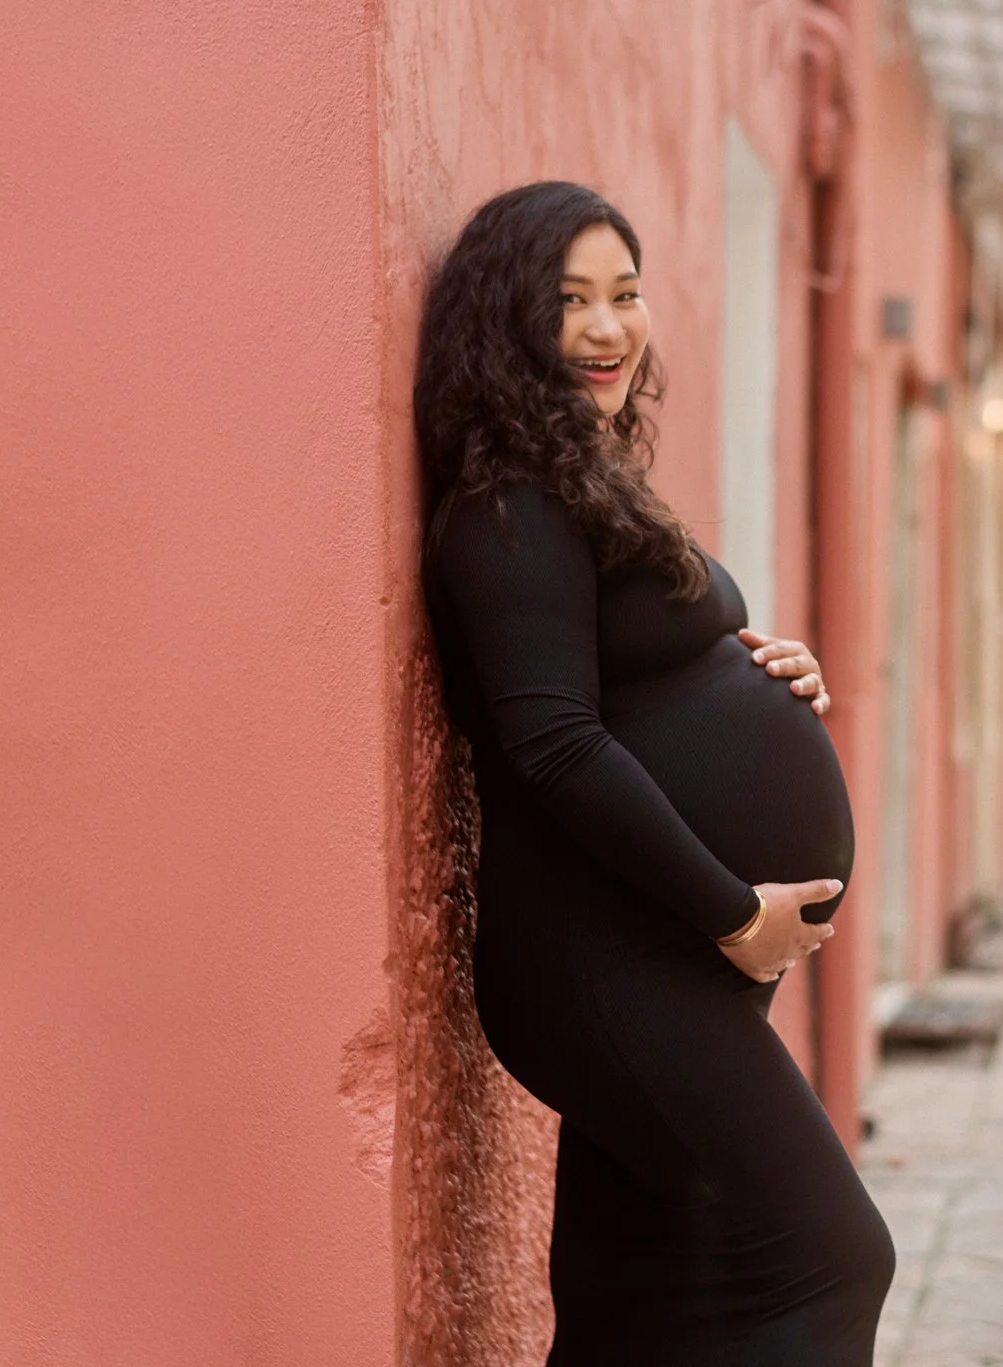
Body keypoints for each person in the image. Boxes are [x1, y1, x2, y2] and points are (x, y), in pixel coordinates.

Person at [415, 183, 892, 1364]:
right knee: (832, 1254)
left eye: (624, 294)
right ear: (505, 321)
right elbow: (554, 743)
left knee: (645, 1294)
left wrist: (761, 662)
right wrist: (732, 912)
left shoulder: (577, 483)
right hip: (604, 956)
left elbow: (629, 676)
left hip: (645, 944)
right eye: (567, 299)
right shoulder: (507, 508)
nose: (606, 327)